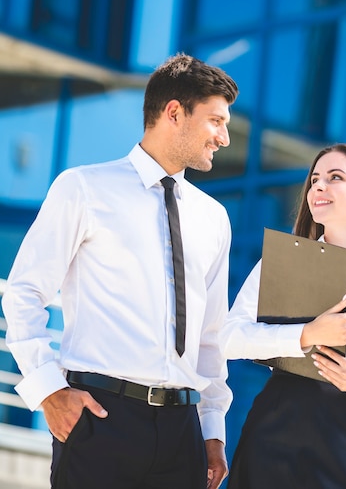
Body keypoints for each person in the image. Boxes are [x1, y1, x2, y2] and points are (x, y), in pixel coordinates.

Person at [2, 53, 239, 489]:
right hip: (101, 418)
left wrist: (212, 430)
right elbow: (23, 293)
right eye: (215, 121)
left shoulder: (214, 218)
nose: (223, 137)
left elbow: (210, 336)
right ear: (174, 113)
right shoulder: (85, 188)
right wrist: (48, 391)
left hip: (182, 433)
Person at [220, 143, 346, 489]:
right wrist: (306, 334)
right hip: (276, 424)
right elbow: (229, 338)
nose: (318, 187)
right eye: (314, 180)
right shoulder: (279, 262)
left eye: (335, 177)